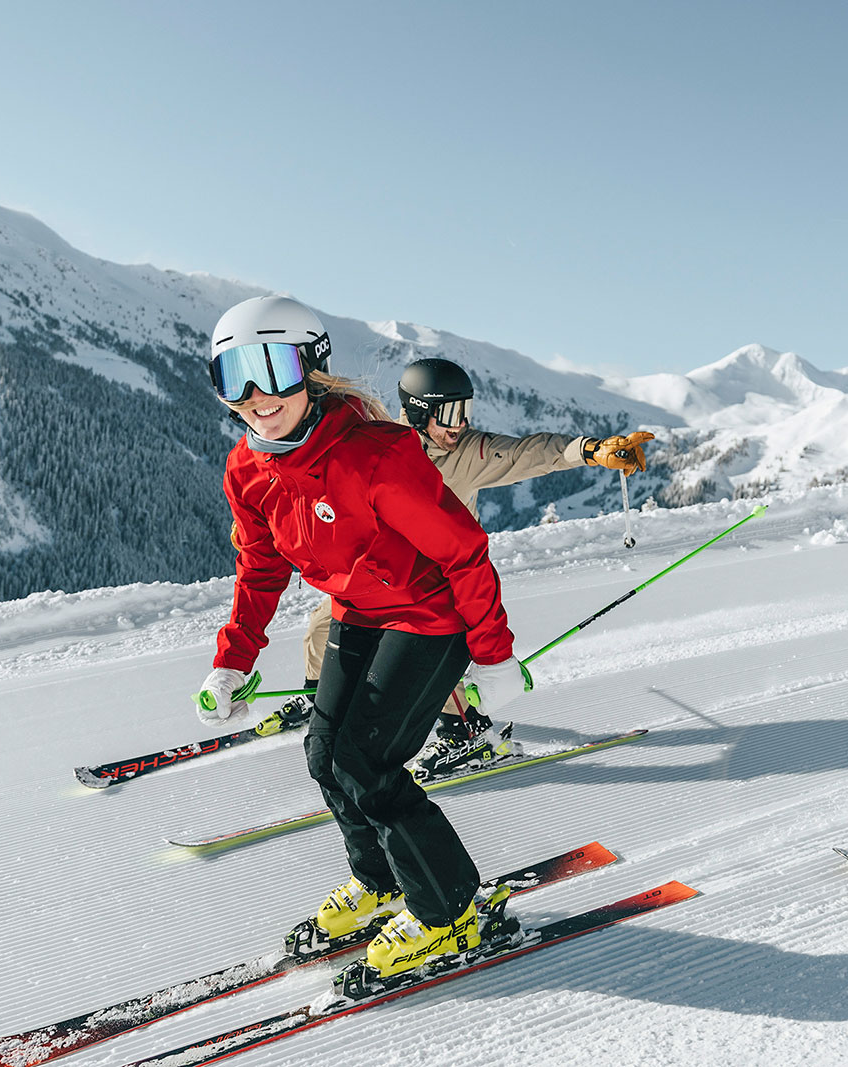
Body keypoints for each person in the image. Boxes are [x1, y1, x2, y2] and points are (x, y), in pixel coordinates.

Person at [191, 295, 532, 978]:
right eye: (234, 377)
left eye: (273, 369)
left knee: (367, 764)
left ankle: (449, 913)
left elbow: (464, 551)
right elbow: (260, 567)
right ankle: (382, 881)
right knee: (325, 753)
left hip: (430, 615)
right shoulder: (248, 470)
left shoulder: (375, 456)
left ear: (311, 370)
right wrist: (232, 660)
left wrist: (493, 655)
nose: (256, 396)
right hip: (359, 610)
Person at [254, 355, 655, 780]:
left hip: (444, 581)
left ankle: (467, 730)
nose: (459, 424)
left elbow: (530, 452)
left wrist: (591, 450)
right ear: (417, 411)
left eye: (465, 410)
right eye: (448, 413)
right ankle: (321, 698)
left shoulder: (468, 454)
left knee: (429, 654)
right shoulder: (379, 445)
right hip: (383, 580)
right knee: (322, 627)